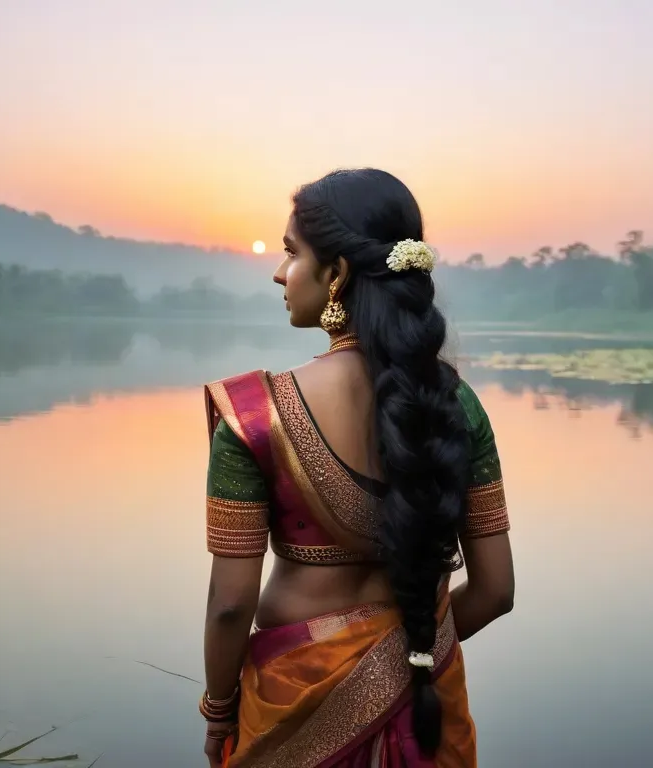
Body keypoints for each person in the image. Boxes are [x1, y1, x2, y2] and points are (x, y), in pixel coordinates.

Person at [199, 168, 515, 767]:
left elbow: (230, 605)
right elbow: (496, 591)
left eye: (291, 253)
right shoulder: (454, 405)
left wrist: (219, 709)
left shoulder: (254, 417)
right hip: (429, 703)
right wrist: (414, 654)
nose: (277, 270)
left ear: (337, 273)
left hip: (290, 700)